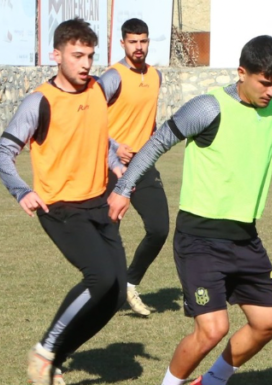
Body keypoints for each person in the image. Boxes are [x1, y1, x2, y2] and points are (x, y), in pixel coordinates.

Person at [108, 35, 272, 385]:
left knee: (268, 323)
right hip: (199, 238)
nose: (271, 92)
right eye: (264, 83)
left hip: (245, 237)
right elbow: (157, 143)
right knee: (213, 329)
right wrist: (122, 188)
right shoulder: (208, 107)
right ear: (242, 73)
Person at [0, 18, 128, 385]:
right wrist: (21, 191)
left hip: (100, 203)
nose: (85, 64)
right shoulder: (39, 101)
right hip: (60, 208)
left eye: (90, 56)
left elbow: (95, 134)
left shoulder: (100, 89)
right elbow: (3, 153)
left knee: (115, 295)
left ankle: (54, 363)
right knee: (100, 277)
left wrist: (114, 159)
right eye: (77, 55)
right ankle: (45, 349)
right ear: (56, 55)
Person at [99, 18, 169, 317]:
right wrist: (114, 147)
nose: (138, 47)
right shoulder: (113, 77)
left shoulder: (155, 76)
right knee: (108, 231)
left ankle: (129, 283)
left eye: (143, 41)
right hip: (111, 166)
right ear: (123, 43)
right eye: (133, 42)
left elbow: (149, 120)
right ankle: (103, 293)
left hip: (143, 163)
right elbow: (88, 117)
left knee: (159, 228)